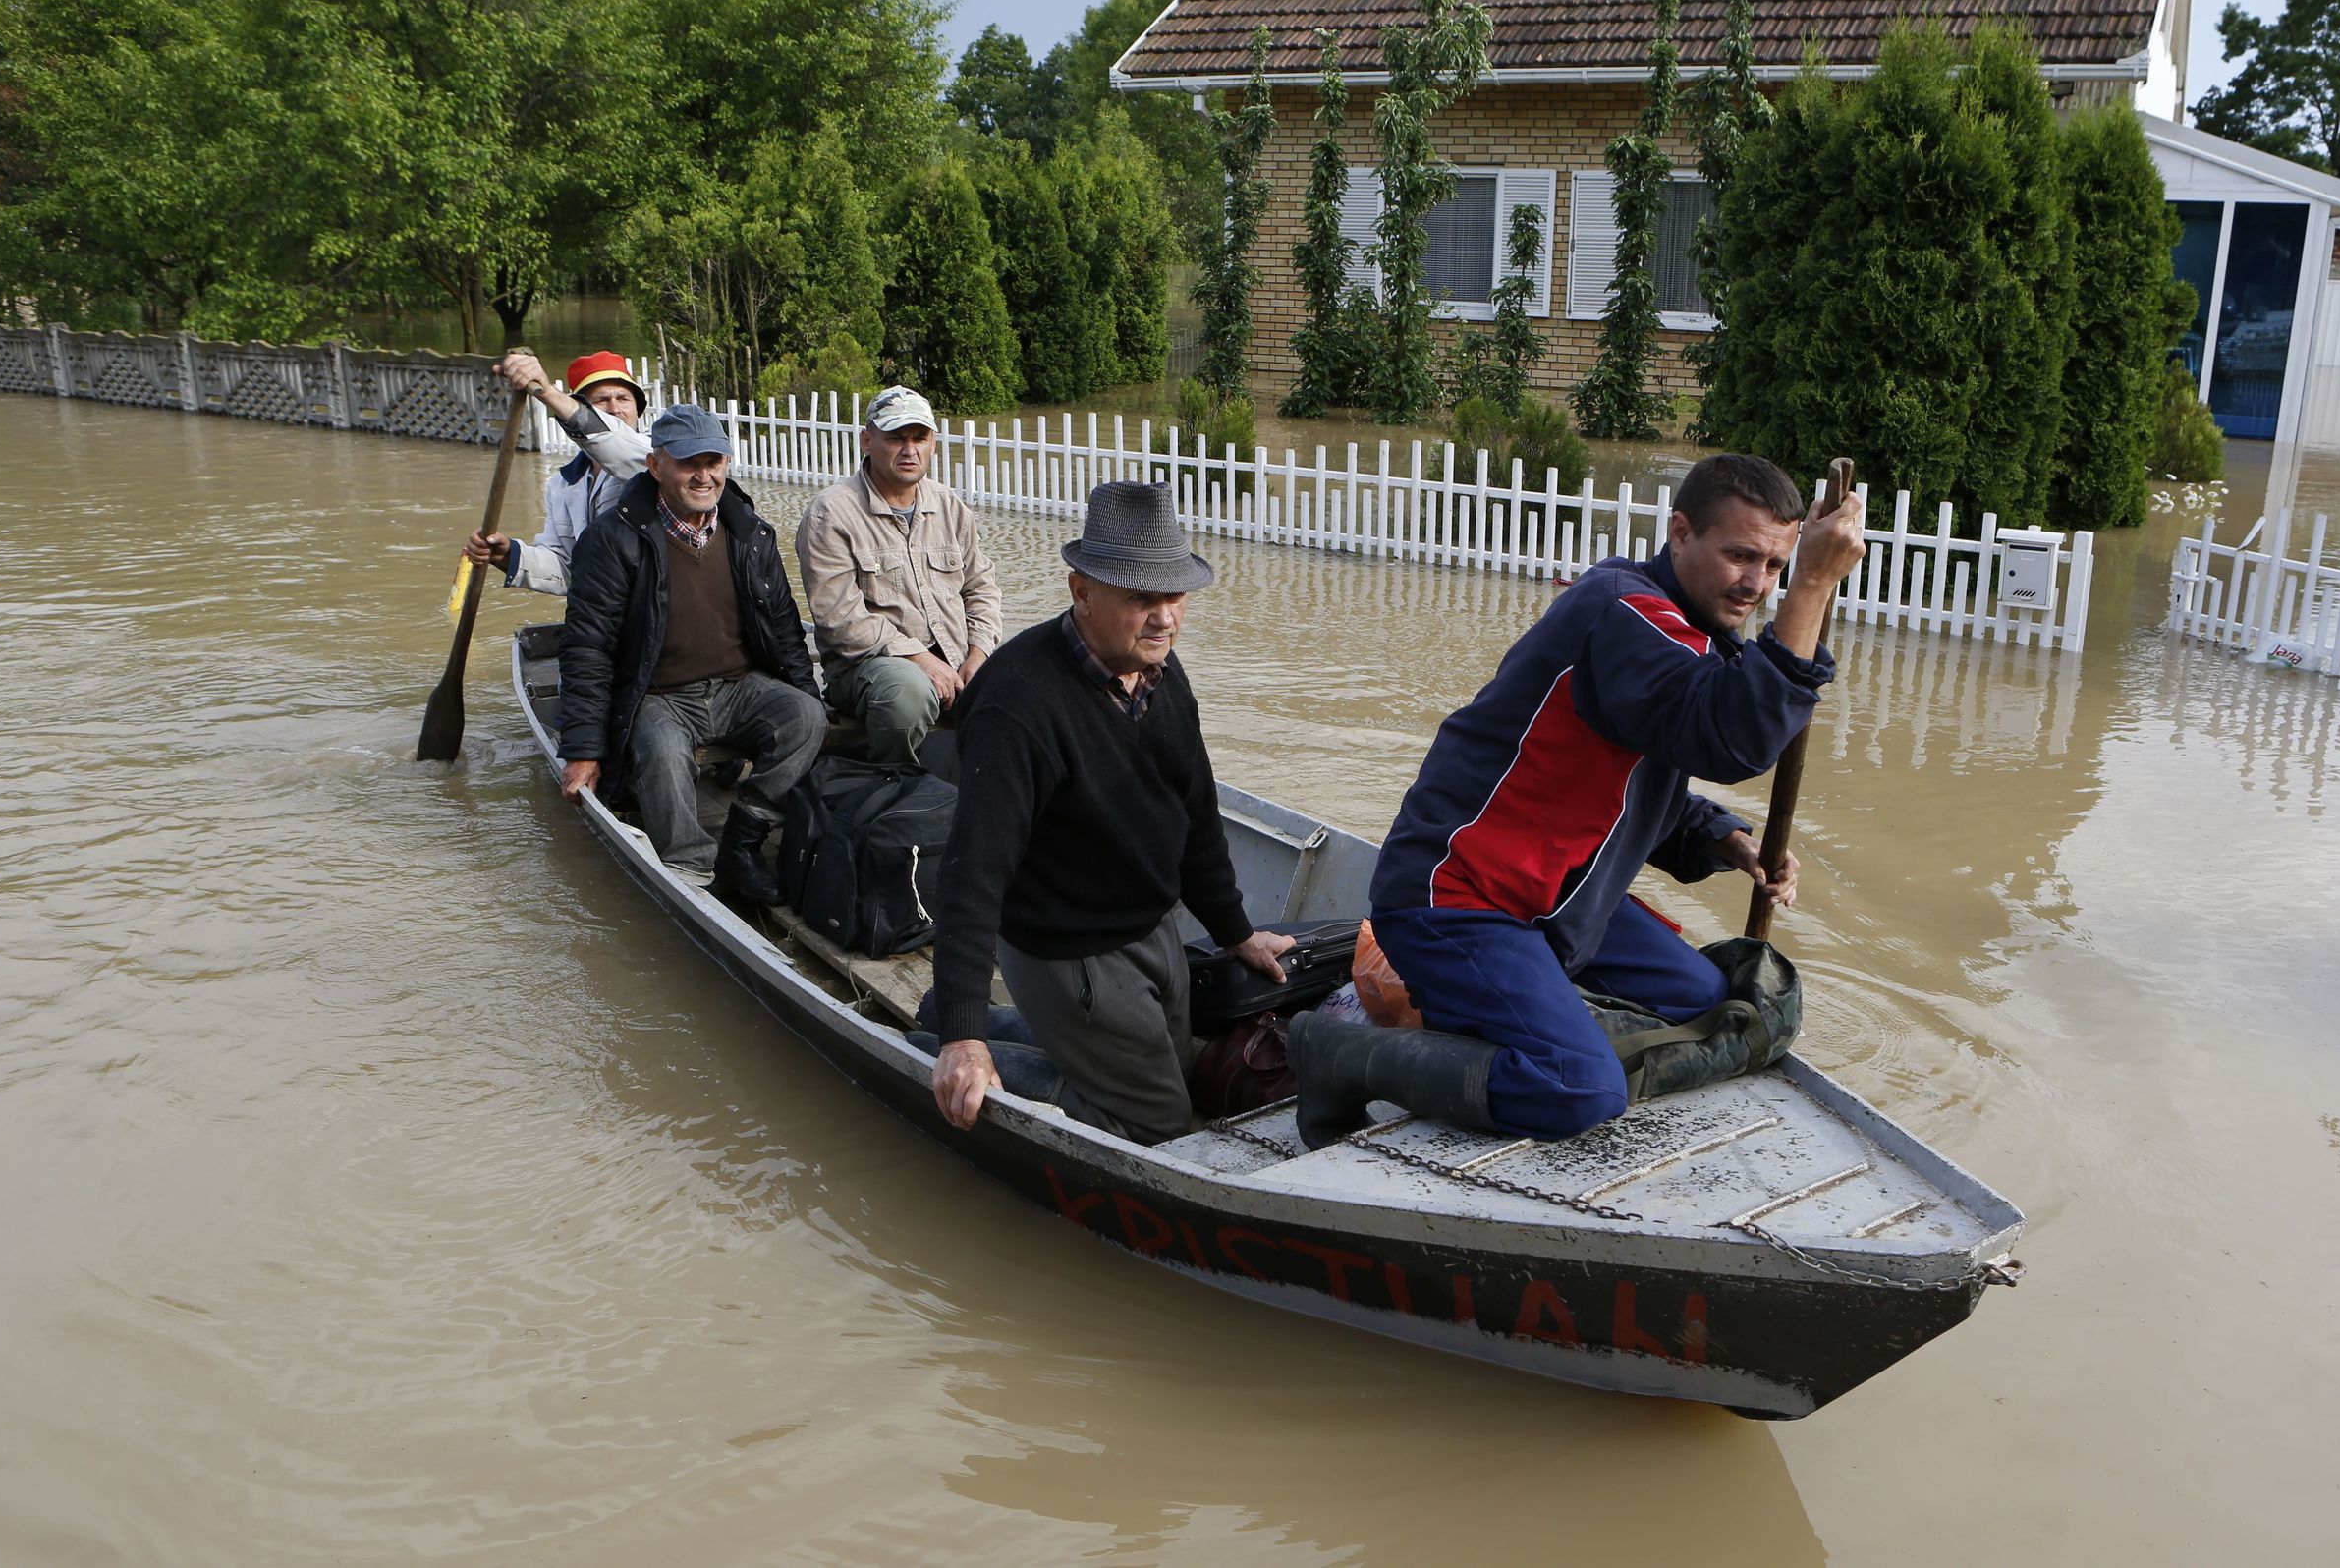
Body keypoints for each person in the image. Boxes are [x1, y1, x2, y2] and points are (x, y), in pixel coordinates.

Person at [1287, 453, 1866, 1148]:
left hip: (1561, 894)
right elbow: (1735, 741)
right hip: (1460, 899)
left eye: (1774, 565)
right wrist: (1810, 586)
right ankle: (1337, 1052)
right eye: (1740, 555)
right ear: (1680, 533)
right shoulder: (1626, 613)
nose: (1757, 583)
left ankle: (1516, 1016)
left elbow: (1632, 778)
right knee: (1584, 1089)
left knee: (1708, 1003)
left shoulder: (1687, 629)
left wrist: (1721, 838)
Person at [922, 481, 1294, 1144]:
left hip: (1152, 928)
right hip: (1069, 948)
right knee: (1155, 1123)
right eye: (1141, 599)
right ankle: (973, 1045)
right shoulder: (1018, 704)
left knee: (1181, 1073)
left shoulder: (1161, 675)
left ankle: (1024, 1033)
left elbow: (1198, 816)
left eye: (1174, 596)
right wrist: (960, 1032)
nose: (1165, 618)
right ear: (1082, 592)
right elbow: (972, 873)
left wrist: (1236, 930)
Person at [555, 404, 826, 899]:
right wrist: (582, 751)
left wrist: (812, 704)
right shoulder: (611, 540)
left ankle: (744, 841)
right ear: (655, 467)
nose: (703, 476)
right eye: (687, 463)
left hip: (739, 686)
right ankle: (691, 866)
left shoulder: (751, 533)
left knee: (807, 716)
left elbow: (784, 628)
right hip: (658, 694)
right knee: (661, 749)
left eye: (713, 461)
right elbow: (588, 650)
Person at [796, 385, 1002, 766]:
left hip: (954, 655)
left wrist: (978, 654)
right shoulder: (831, 514)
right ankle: (894, 788)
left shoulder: (949, 506)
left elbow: (981, 588)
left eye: (919, 438)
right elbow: (840, 619)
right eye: (896, 438)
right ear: (867, 440)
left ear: (933, 443)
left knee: (1017, 683)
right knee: (906, 694)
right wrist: (920, 658)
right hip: (868, 666)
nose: (909, 450)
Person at [462, 350, 654, 595]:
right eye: (602, 400)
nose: (615, 408)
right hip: (602, 613)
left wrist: (548, 392)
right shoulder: (562, 484)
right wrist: (509, 555)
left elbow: (614, 445)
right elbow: (566, 569)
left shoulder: (655, 459)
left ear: (638, 409)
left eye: (623, 398)